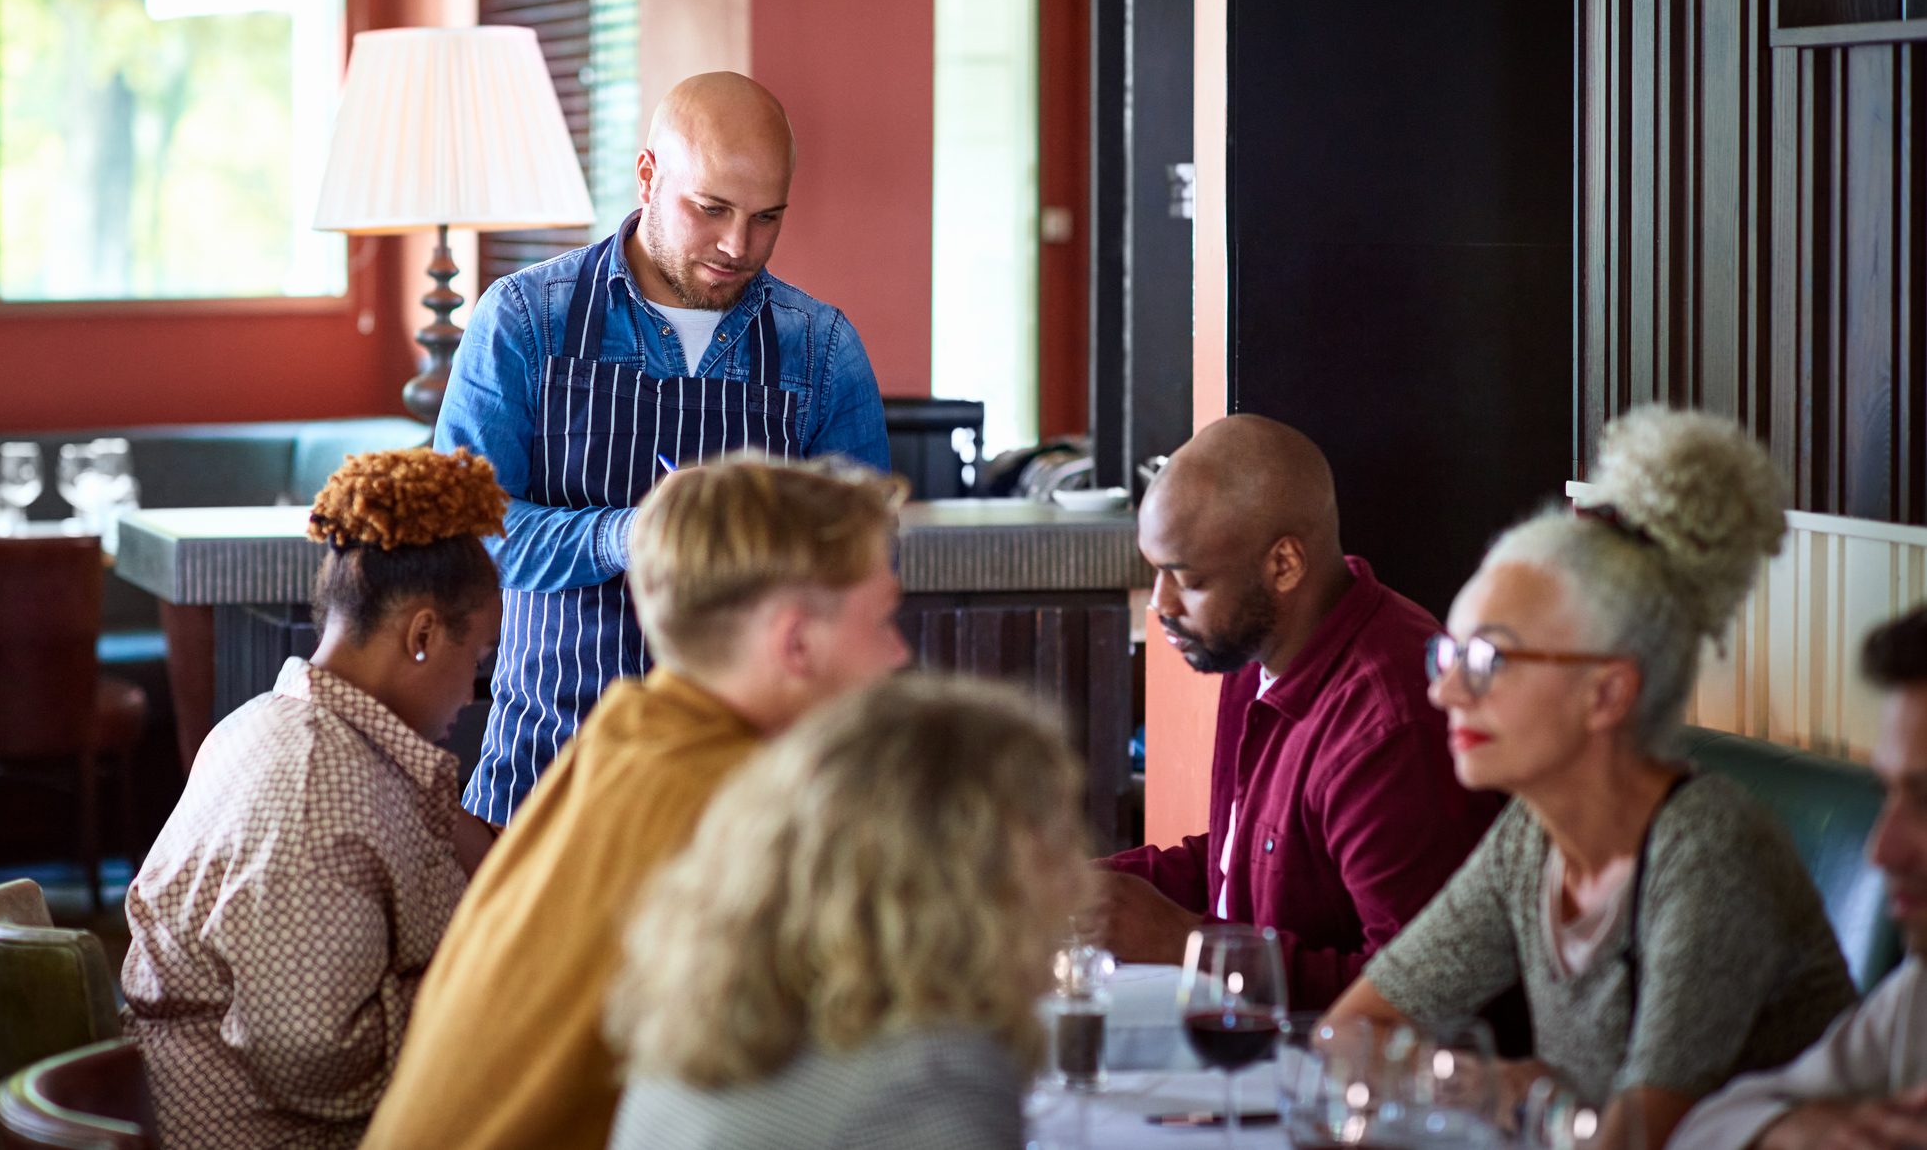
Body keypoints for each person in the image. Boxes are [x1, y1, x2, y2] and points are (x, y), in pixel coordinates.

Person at [1325, 407, 1858, 1150]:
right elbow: (1352, 1032)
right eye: (1448, 658)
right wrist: (1485, 1084)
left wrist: (1540, 1099)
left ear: (1607, 693)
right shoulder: (1531, 838)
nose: (1446, 694)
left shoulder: (1709, 851)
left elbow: (1636, 1139)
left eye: (1490, 661)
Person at [361, 453, 912, 1150]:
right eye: (883, 619)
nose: (897, 656)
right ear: (797, 642)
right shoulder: (747, 807)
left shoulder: (627, 733)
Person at [437, 71, 891, 824]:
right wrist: (627, 535)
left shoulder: (821, 351)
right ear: (647, 175)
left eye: (766, 218)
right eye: (710, 209)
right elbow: (465, 534)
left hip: (750, 806)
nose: (737, 246)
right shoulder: (525, 321)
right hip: (545, 779)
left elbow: (864, 570)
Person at [119, 448, 508, 1149]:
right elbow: (315, 1059)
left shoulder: (273, 723)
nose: (471, 691)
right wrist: (498, 984)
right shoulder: (316, 790)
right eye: (477, 660)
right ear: (421, 636)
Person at [1095, 414, 1503, 1013]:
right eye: (1156, 572)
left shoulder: (1389, 725)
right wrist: (1085, 891)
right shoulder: (1258, 646)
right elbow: (1248, 860)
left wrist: (1184, 945)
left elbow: (1419, 1000)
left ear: (1284, 565)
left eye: (1189, 579)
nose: (1161, 604)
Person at [605, 676, 1089, 1150]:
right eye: (1056, 842)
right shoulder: (924, 1087)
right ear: (968, 878)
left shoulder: (700, 1023)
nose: (1078, 882)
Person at [1671, 603, 1927, 1150]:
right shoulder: (1916, 998)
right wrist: (1799, 1129)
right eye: (1888, 793)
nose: (1880, 850)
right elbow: (1703, 1130)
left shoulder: (1705, 842)